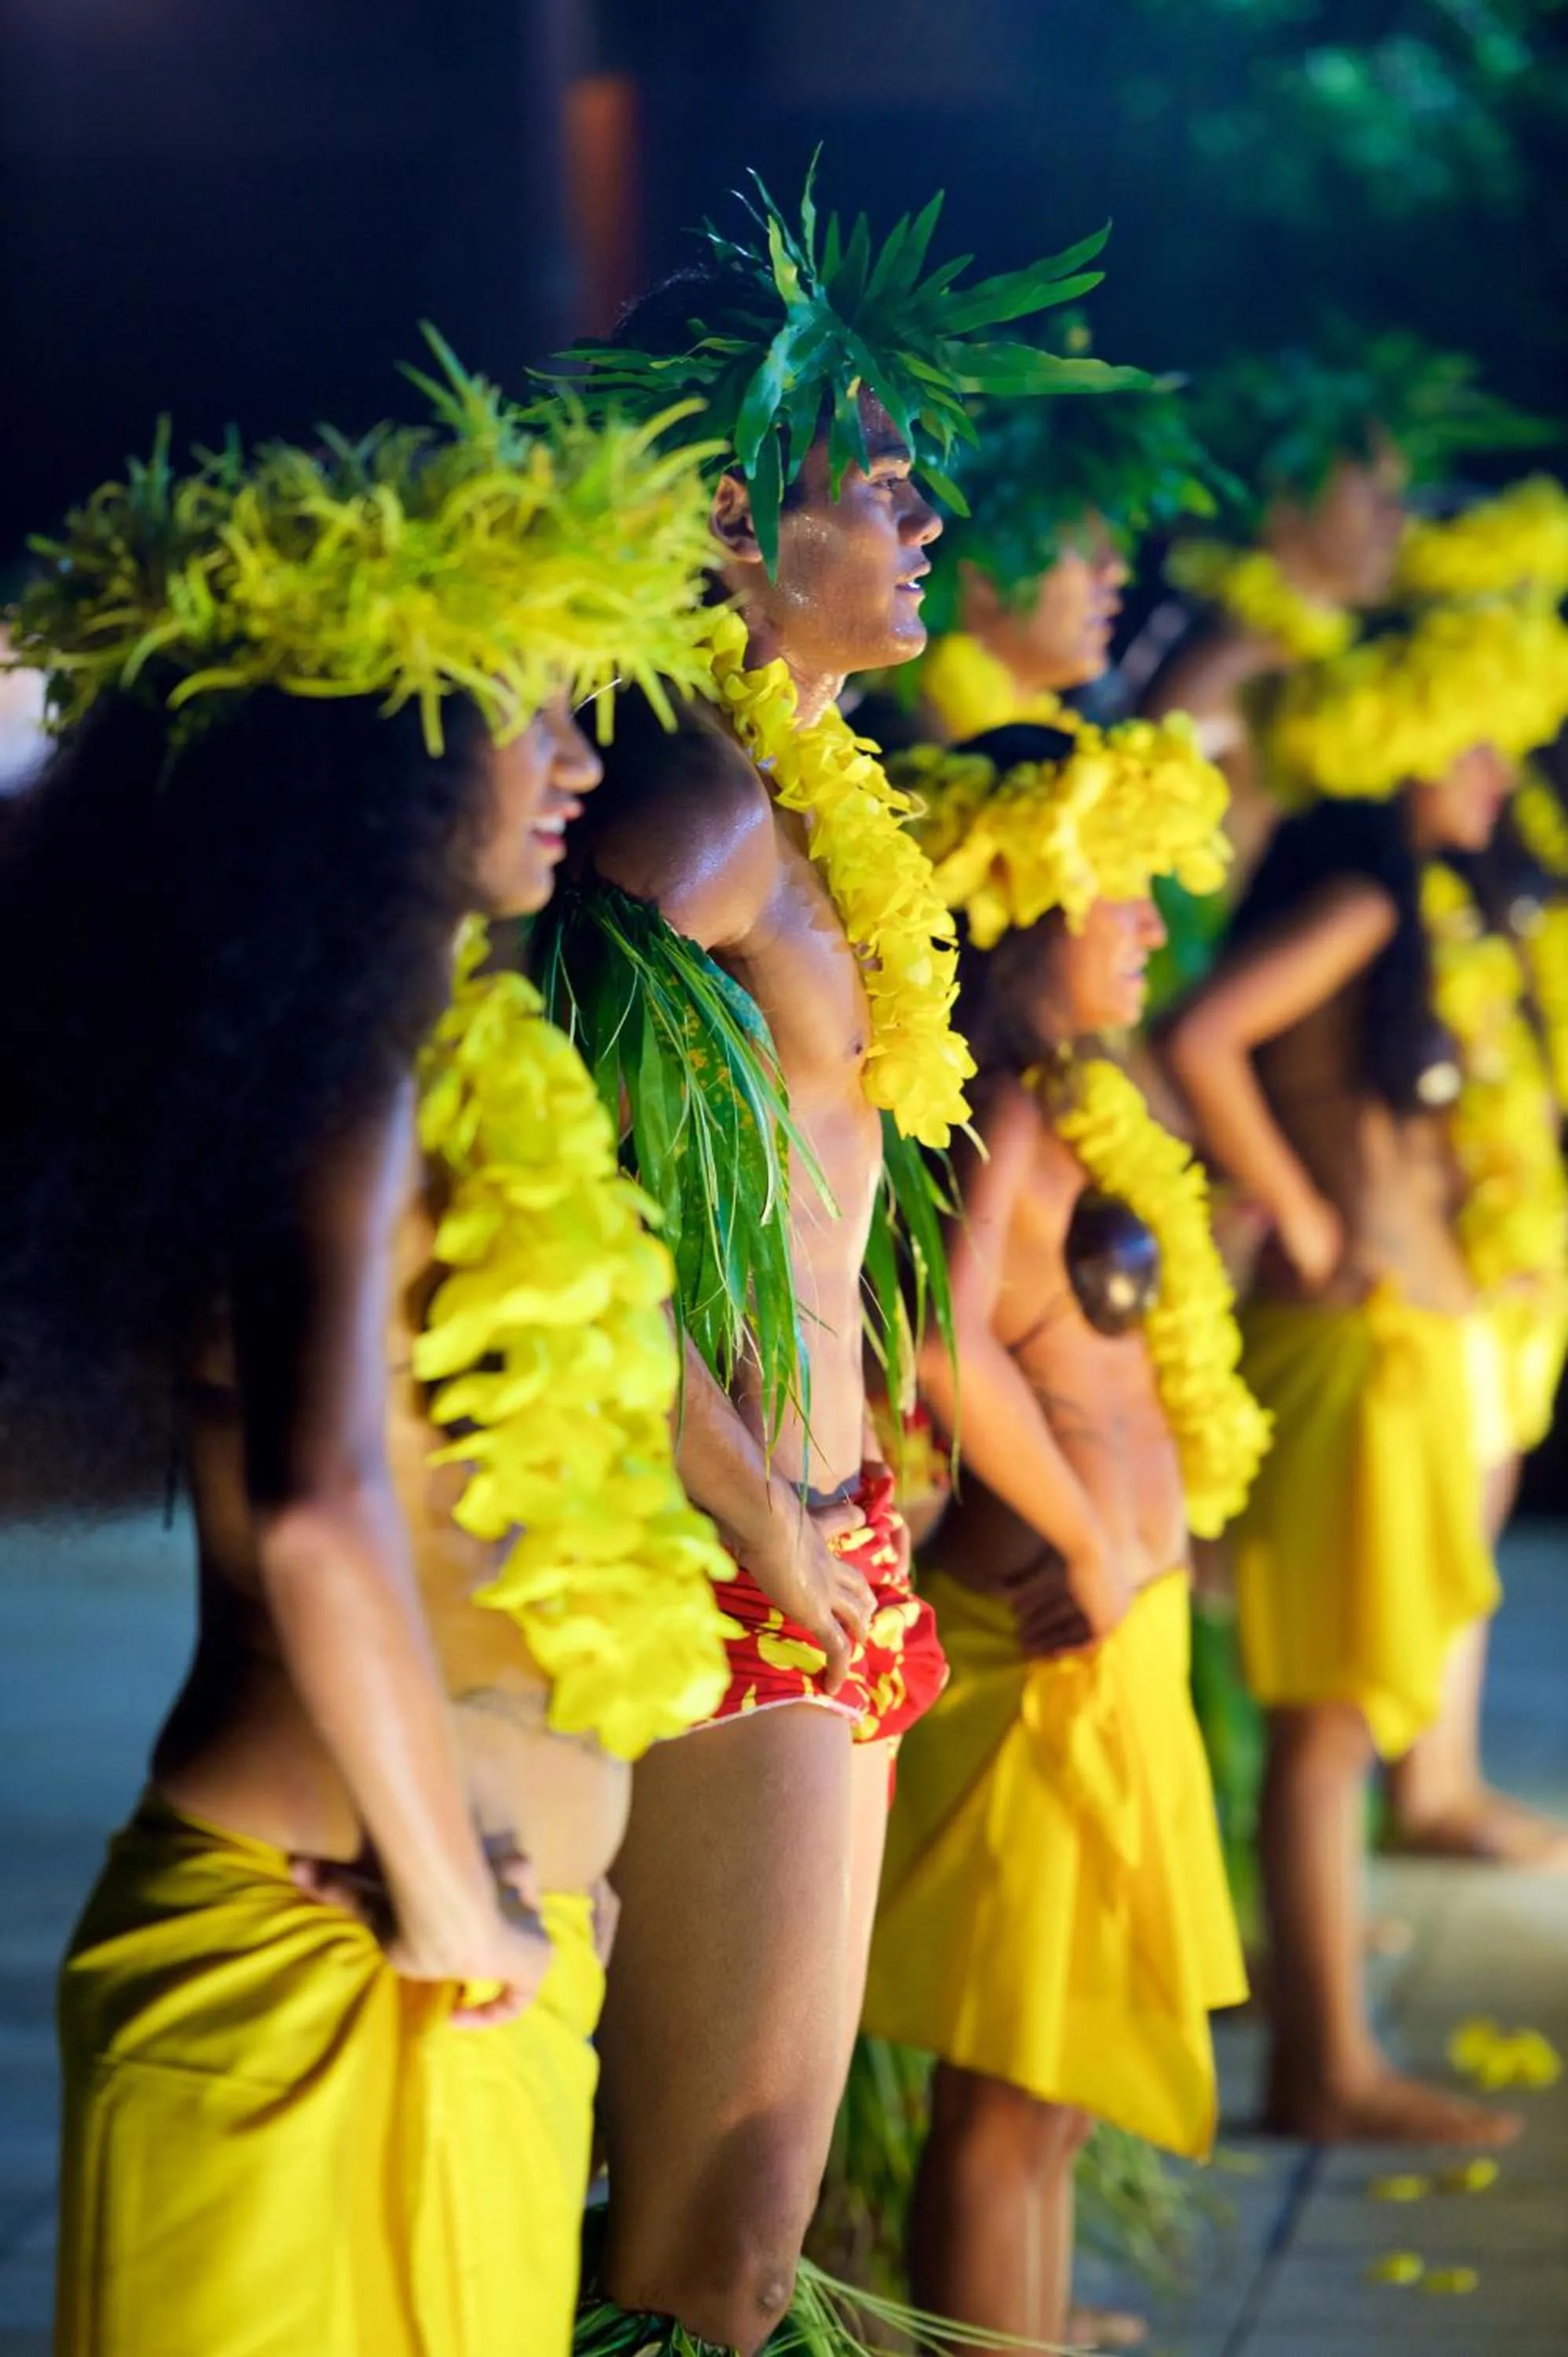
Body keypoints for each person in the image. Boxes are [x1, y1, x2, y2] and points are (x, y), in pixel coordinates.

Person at [2, 351, 728, 2354]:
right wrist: (452, 1891)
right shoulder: (348, 1093)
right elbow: (324, 1514)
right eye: (527, 711)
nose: (577, 759)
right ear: (367, 758)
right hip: (340, 1943)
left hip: (429, 1944)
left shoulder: (385, 1061)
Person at [551, 167, 1140, 2355]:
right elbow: (554, 1227)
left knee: (755, 2224)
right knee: (711, 2256)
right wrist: (760, 1512)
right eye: (875, 483)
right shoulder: (691, 822)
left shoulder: (804, 796)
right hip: (740, 1560)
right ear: (733, 516)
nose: (923, 518)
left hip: (828, 1526)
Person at [859, 719, 1260, 2351]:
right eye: (1124, 895)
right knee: (1011, 2096)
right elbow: (938, 1344)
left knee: (1053, 2100)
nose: (1154, 925)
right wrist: (1093, 1539)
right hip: (1048, 1645)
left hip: (1110, 1638)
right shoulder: (1012, 1117)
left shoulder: (1072, 1099)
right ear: (1031, 908)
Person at [1163, 592, 1568, 2143]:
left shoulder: (1409, 911)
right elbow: (1200, 1038)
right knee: (1328, 1720)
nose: (1493, 775)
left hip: (1396, 1349)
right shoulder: (1355, 901)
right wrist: (1310, 1214)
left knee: (1340, 1716)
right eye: (1469, 745)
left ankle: (1324, 2045)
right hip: (1352, 1347)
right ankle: (1322, 2066)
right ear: (1398, 748)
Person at [1142, 330, 1548, 903]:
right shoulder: (1232, 662)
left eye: (1400, 493)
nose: (1397, 518)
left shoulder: (1303, 657)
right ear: (1287, 495)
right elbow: (1140, 854)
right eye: (1375, 491)